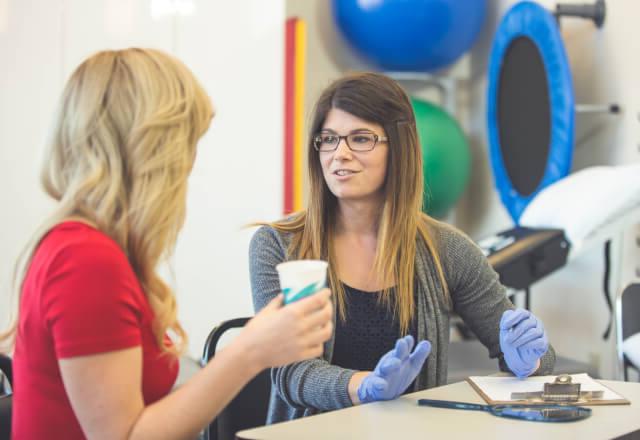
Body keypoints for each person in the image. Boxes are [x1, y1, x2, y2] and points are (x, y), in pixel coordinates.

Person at [0, 48, 333, 439]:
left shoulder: (93, 248)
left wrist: (252, 348)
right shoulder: (85, 260)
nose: (190, 165)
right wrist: (251, 351)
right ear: (152, 148)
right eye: (187, 144)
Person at [249, 72, 555, 424]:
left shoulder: (447, 249)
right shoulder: (279, 245)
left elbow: (537, 359)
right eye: (329, 139)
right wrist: (365, 386)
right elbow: (289, 372)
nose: (340, 154)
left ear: (399, 148)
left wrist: (528, 359)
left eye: (360, 139)